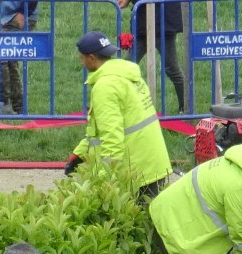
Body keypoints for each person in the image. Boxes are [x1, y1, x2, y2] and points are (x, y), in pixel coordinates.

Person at [65, 31, 173, 200]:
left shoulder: (105, 86)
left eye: (82, 58)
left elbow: (112, 139)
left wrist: (104, 180)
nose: (81, 61)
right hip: (153, 163)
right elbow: (103, 129)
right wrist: (81, 152)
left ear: (91, 58)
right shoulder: (129, 76)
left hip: (136, 171)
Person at [120, 0, 188, 112]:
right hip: (145, 23)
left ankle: (186, 108)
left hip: (163, 22)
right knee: (125, 68)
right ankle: (109, 103)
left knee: (172, 69)